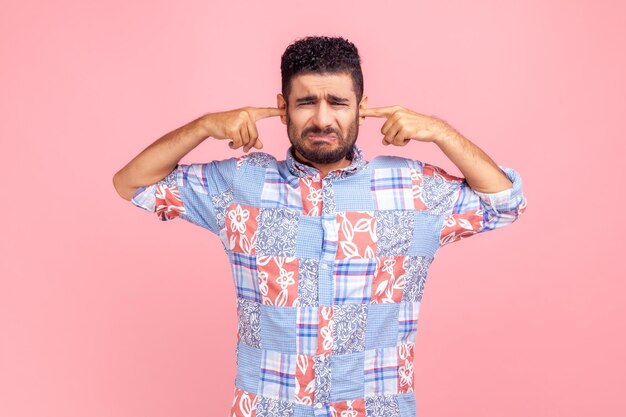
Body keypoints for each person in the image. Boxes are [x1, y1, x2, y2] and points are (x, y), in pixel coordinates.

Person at [113, 36, 527, 417]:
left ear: (363, 106)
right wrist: (204, 125)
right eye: (306, 101)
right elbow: (131, 183)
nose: (322, 119)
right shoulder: (240, 184)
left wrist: (439, 132)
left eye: (339, 102)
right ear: (283, 107)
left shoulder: (414, 188)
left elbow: (505, 203)